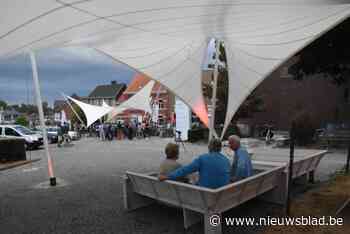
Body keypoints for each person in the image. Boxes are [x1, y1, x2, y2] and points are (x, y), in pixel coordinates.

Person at [159, 138, 231, 189]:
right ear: (220, 148)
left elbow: (185, 170)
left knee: (194, 180)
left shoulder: (202, 158)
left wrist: (168, 177)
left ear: (209, 147)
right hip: (222, 191)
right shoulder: (226, 160)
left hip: (206, 192)